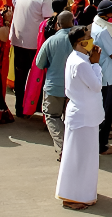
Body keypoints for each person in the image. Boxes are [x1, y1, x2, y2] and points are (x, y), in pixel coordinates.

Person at [56, 26, 104, 210]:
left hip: (84, 115)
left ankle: (82, 192)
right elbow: (96, 86)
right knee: (79, 158)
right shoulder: (82, 63)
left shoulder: (78, 59)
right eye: (88, 37)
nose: (92, 40)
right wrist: (96, 64)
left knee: (84, 157)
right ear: (80, 43)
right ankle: (72, 197)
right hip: (83, 116)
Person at [10, 0, 53, 118]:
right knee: (37, 76)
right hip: (34, 43)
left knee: (20, 75)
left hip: (18, 39)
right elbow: (48, 21)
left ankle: (19, 107)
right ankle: (34, 106)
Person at [35, 9, 75, 155]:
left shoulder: (51, 41)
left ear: (57, 24)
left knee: (52, 116)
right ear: (73, 22)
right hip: (75, 88)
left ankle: (63, 147)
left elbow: (39, 63)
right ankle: (72, 147)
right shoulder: (80, 40)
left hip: (54, 87)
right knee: (72, 119)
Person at [90, 0, 112, 155]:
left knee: (102, 109)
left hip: (103, 74)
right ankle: (101, 145)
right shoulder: (103, 31)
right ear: (105, 14)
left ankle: (103, 137)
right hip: (107, 76)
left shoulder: (96, 23)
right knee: (106, 110)